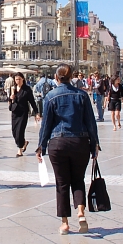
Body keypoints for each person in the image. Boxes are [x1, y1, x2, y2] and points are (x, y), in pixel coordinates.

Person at [36, 64, 100, 235]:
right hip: (80, 142)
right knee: (78, 179)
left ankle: (64, 223)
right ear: (71, 77)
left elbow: (46, 125)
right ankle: (81, 212)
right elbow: (90, 123)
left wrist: (41, 146)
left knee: (62, 183)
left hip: (58, 144)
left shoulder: (50, 96)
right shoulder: (82, 95)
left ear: (56, 78)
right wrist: (95, 144)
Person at [8, 72, 39, 156]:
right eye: (16, 79)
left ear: (23, 79)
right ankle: (24, 143)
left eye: (19, 79)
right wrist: (11, 98)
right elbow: (10, 99)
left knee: (19, 132)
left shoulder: (27, 89)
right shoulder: (13, 88)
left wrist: (36, 113)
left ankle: (20, 149)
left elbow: (32, 101)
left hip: (23, 113)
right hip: (15, 112)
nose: (17, 81)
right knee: (14, 131)